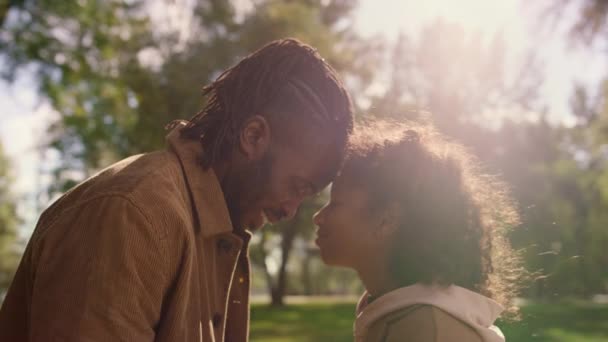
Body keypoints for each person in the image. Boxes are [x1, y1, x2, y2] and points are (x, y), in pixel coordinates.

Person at [0, 38, 353, 342]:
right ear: (254, 136)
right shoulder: (133, 215)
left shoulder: (221, 235)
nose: (290, 210)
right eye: (297, 186)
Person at [313, 121, 525, 342]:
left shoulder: (426, 330)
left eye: (335, 204)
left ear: (386, 220)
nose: (318, 217)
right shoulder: (399, 311)